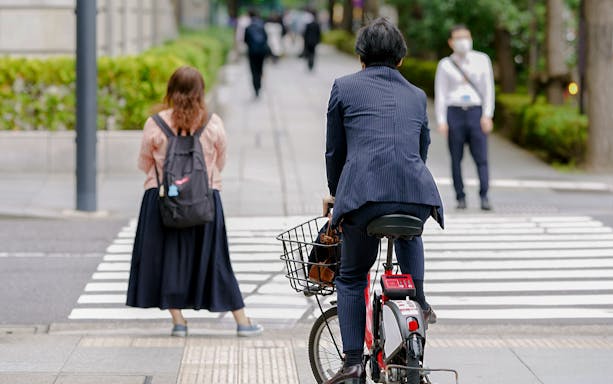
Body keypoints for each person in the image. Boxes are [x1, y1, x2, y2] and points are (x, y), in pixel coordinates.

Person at [323, 18, 444, 384]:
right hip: (415, 196)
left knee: (351, 275)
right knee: (411, 235)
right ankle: (419, 303)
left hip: (363, 197)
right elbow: (421, 149)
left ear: (361, 57)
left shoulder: (344, 88)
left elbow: (334, 152)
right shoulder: (416, 94)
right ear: (401, 60)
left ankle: (352, 362)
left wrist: (337, 195)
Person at [126, 66, 263, 338]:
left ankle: (178, 322)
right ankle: (242, 321)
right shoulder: (212, 124)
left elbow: (144, 164)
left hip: (162, 201)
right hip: (205, 200)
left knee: (165, 260)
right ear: (200, 92)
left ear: (170, 91)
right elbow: (220, 162)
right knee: (216, 260)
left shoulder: (156, 124)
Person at [434, 24, 495, 211]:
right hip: (455, 113)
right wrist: (442, 121)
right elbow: (441, 93)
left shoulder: (482, 60)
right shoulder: (445, 64)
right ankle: (460, 197)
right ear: (451, 42)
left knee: (481, 157)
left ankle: (484, 195)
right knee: (456, 158)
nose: (463, 42)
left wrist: (487, 115)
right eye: (459, 38)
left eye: (466, 37)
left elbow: (488, 89)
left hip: (476, 112)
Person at [244, 9, 269, 98]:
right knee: (260, 69)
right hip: (261, 52)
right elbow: (266, 38)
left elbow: (245, 40)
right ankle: (259, 85)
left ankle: (256, 88)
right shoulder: (262, 26)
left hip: (252, 52)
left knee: (254, 71)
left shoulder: (248, 27)